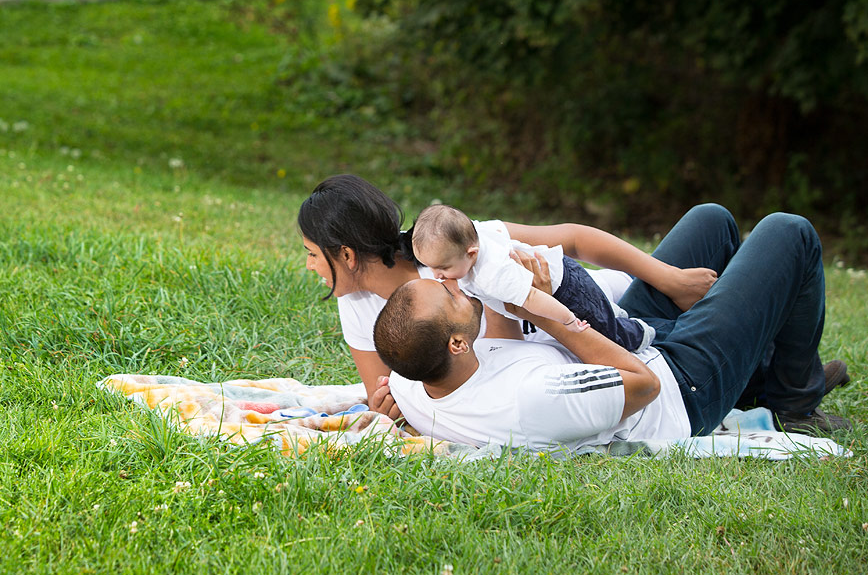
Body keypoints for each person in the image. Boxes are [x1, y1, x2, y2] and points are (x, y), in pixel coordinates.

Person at [370, 204, 853, 445]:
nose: (452, 283)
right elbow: (639, 385)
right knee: (789, 233)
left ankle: (759, 374)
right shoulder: (528, 398)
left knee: (712, 221)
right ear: (456, 343)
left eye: (441, 277)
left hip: (624, 333)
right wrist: (543, 309)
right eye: (449, 291)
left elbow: (399, 375)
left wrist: (385, 403)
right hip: (676, 386)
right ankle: (792, 401)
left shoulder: (418, 377)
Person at [297, 174, 718, 407]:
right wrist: (392, 407)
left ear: (347, 255)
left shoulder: (446, 247)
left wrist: (670, 279)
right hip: (613, 356)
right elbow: (385, 395)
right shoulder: (357, 306)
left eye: (312, 254)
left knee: (710, 220)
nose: (310, 265)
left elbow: (572, 238)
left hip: (615, 313)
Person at [411, 203, 654, 352]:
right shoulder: (473, 234)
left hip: (565, 291)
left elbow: (534, 297)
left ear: (471, 253)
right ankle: (611, 312)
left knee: (606, 335)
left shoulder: (492, 274)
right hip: (563, 272)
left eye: (442, 267)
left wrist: (568, 319)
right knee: (600, 312)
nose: (437, 275)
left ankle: (644, 332)